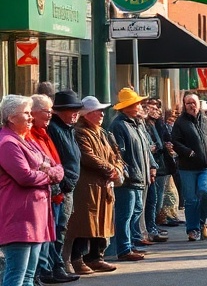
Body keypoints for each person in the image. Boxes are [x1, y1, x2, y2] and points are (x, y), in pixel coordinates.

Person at [1, 95, 64, 286]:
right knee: (16, 275)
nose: (30, 117)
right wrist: (48, 174)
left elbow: (57, 167)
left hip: (35, 218)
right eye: (26, 113)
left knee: (29, 276)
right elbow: (25, 177)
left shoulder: (27, 141)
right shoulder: (8, 143)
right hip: (19, 219)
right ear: (11, 117)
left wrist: (47, 171)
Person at [67, 97, 119, 275]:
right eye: (98, 111)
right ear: (87, 114)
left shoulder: (102, 132)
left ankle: (96, 256)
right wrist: (110, 169)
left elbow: (115, 153)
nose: (102, 114)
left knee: (102, 221)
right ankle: (77, 258)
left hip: (104, 184)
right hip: (87, 184)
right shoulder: (80, 132)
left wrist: (117, 169)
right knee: (84, 223)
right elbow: (88, 156)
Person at [108, 87, 154, 262]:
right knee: (125, 214)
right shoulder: (119, 125)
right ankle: (124, 248)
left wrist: (151, 166)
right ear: (127, 107)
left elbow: (145, 149)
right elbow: (119, 153)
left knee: (135, 211)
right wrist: (126, 173)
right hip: (129, 179)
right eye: (137, 104)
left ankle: (130, 243)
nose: (140, 106)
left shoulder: (135, 124)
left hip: (138, 176)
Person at [170, 93, 207, 242]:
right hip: (188, 168)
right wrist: (188, 152)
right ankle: (193, 229)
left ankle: (203, 222)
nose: (191, 105)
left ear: (199, 104)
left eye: (194, 102)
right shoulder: (180, 122)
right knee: (191, 200)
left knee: (205, 192)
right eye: (188, 103)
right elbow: (175, 142)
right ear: (184, 106)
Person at [47, 91, 85, 283]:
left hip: (68, 186)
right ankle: (55, 267)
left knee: (61, 228)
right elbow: (54, 158)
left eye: (77, 109)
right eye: (72, 109)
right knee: (58, 229)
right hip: (61, 188)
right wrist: (64, 183)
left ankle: (57, 266)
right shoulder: (54, 129)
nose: (76, 113)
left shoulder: (68, 129)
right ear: (60, 111)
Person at [142, 99, 171, 242]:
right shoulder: (143, 125)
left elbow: (163, 137)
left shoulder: (153, 124)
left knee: (155, 199)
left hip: (157, 164)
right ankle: (149, 228)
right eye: (151, 108)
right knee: (151, 200)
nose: (155, 111)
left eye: (156, 108)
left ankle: (152, 225)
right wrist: (152, 148)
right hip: (149, 166)